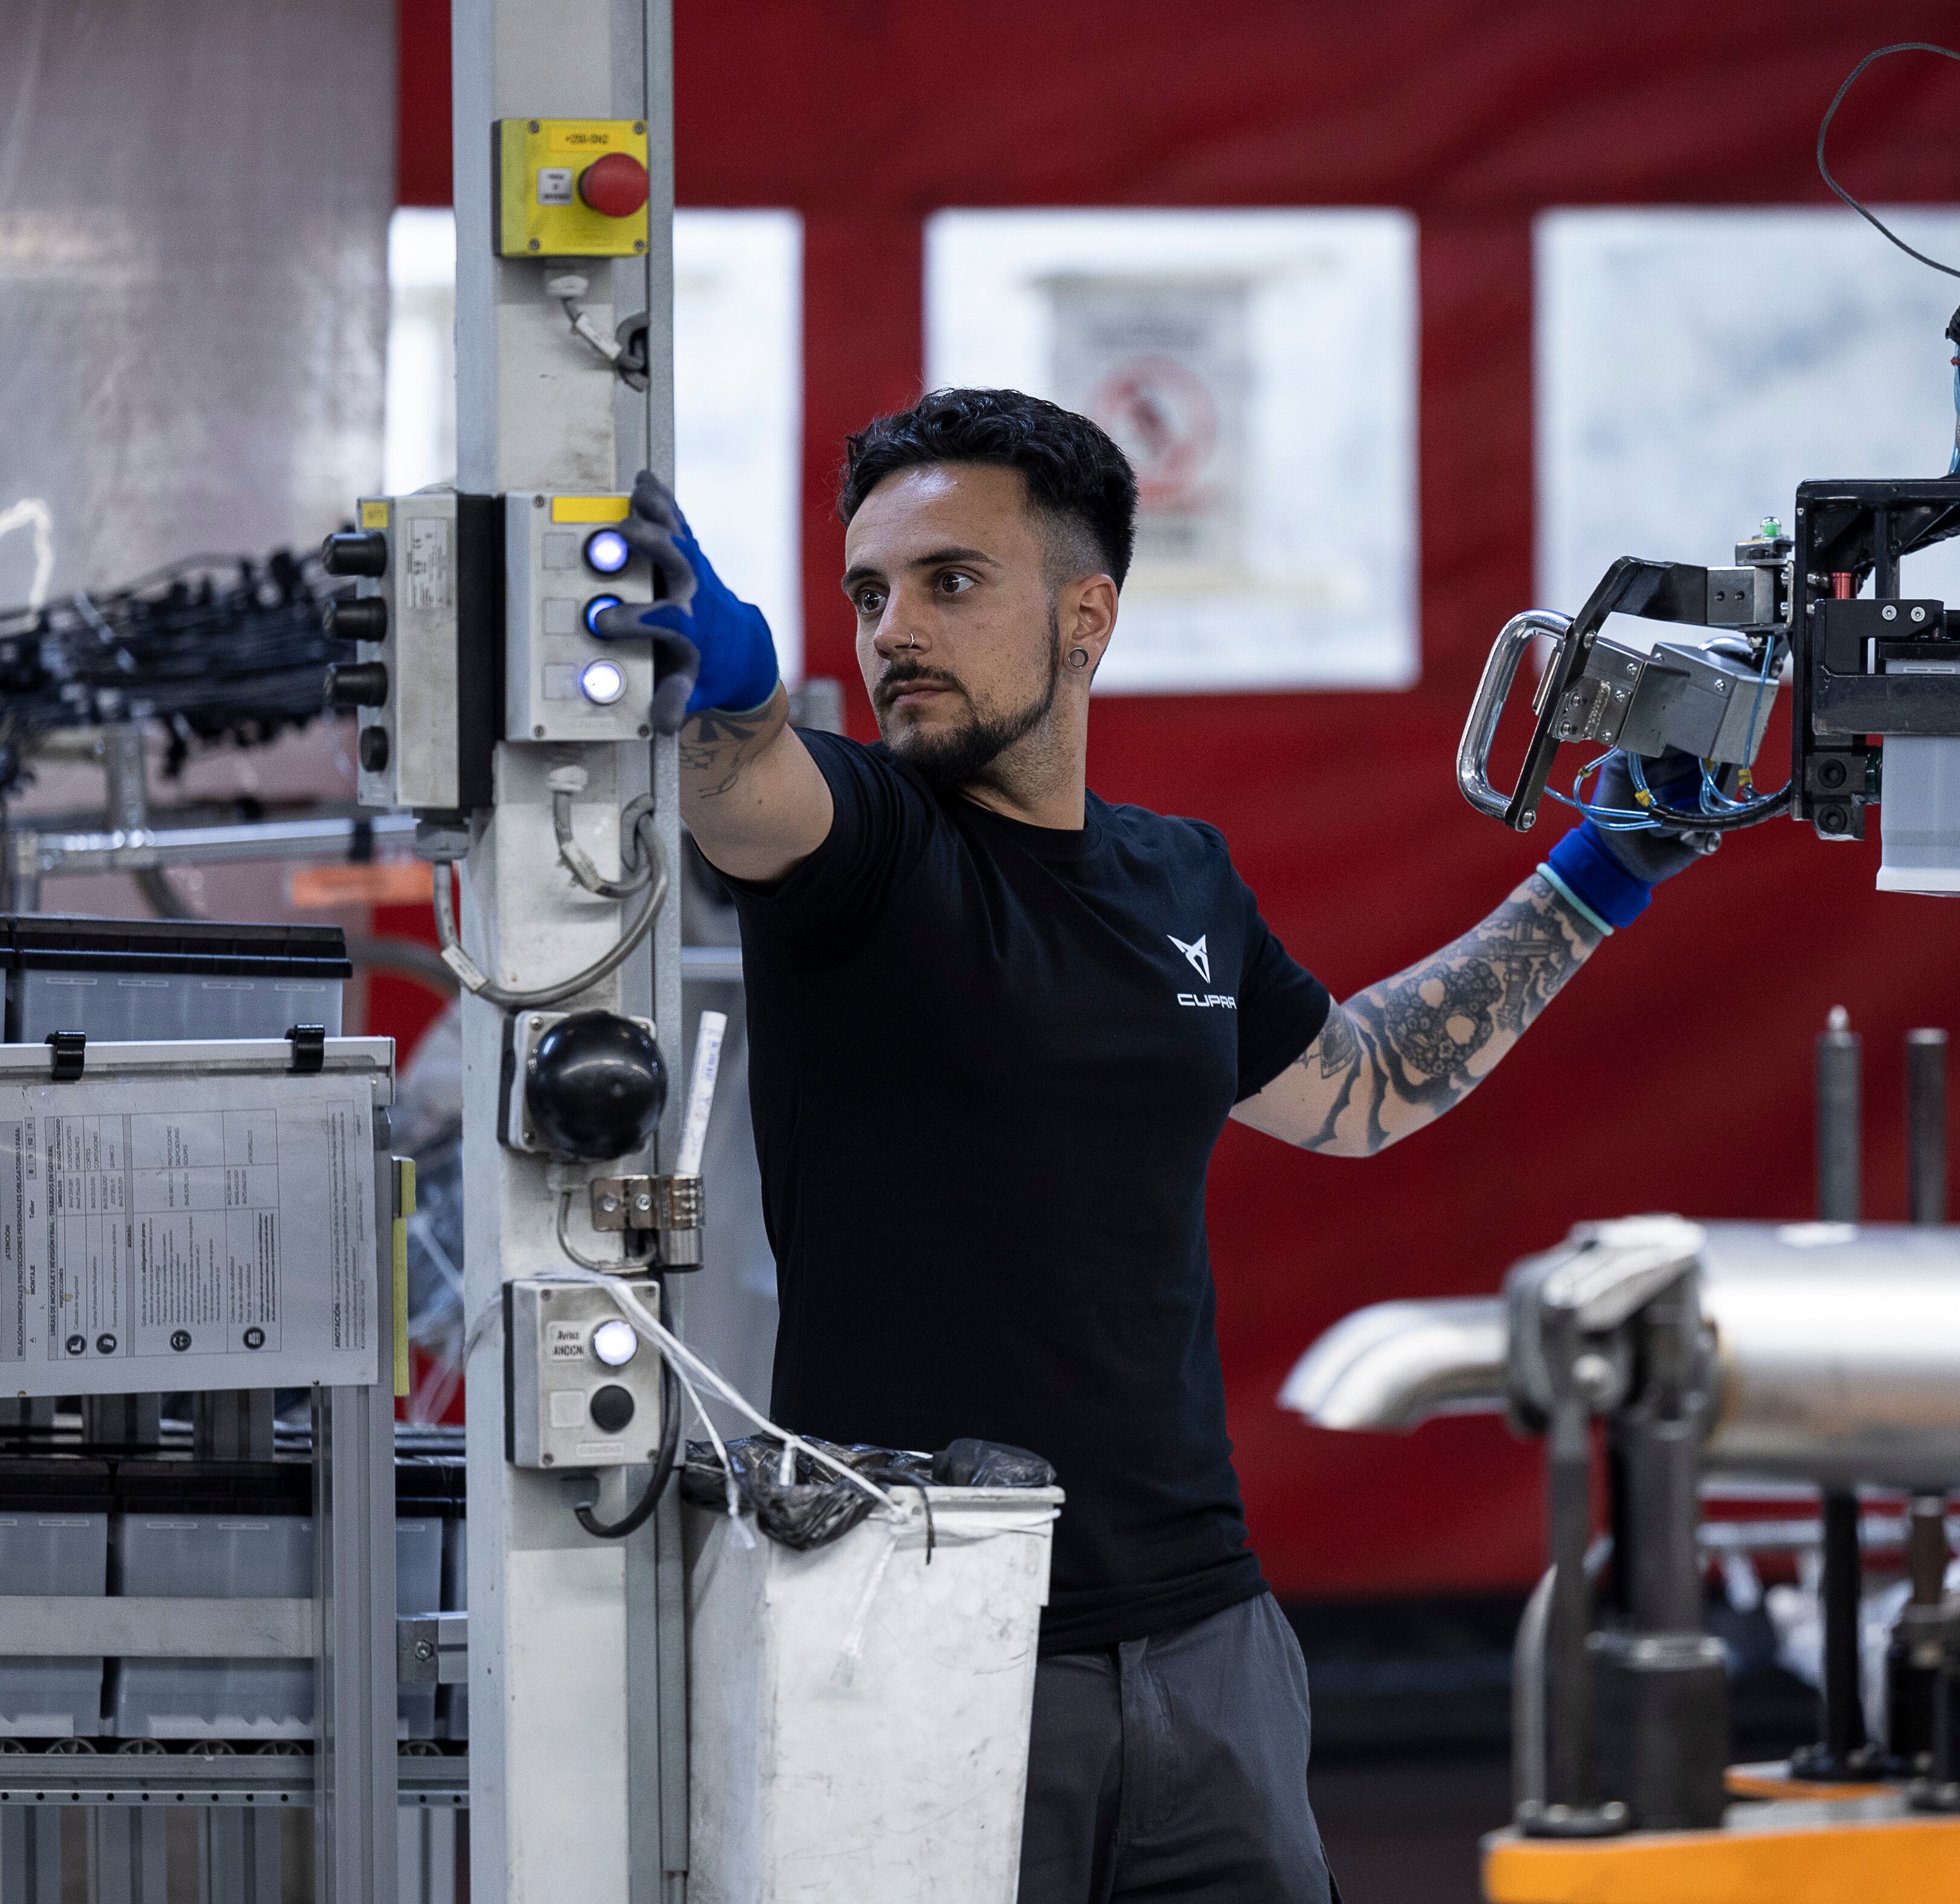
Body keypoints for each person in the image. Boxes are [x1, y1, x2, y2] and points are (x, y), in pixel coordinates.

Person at [597, 388, 1716, 1904]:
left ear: (1086, 617)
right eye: (868, 591)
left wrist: (1598, 872)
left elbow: (1363, 1085)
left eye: (950, 581)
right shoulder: (865, 846)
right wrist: (731, 694)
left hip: (1207, 1642)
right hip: (920, 1633)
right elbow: (746, 788)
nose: (892, 630)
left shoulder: (1176, 875)